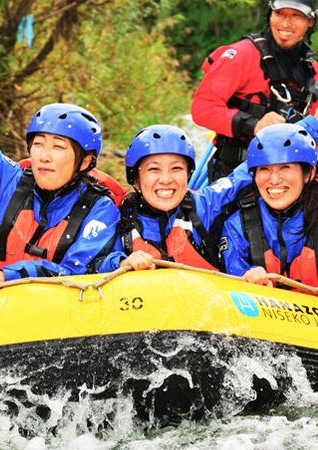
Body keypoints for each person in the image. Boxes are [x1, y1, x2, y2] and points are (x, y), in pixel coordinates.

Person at [0, 14, 120, 298]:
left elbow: (76, 273)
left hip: (58, 313)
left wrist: (9, 275)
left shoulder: (100, 209)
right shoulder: (8, 181)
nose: (44, 156)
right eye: (39, 144)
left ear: (84, 162)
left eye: (58, 147)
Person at [97, 124, 254, 273]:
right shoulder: (118, 217)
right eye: (154, 169)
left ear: (188, 175)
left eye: (176, 168)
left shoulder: (204, 205)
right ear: (136, 180)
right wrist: (120, 263)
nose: (166, 180)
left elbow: (245, 175)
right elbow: (94, 262)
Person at [191, 0, 318, 183]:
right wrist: (254, 124)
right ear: (270, 15)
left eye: (296, 15)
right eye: (280, 13)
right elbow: (202, 108)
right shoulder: (243, 55)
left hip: (290, 181)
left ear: (310, 21)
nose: (285, 23)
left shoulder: (313, 72)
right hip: (235, 175)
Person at [220, 122, 318, 291]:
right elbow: (232, 265)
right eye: (264, 169)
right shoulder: (237, 225)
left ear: (309, 173)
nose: (273, 180)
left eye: (285, 167)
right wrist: (247, 273)